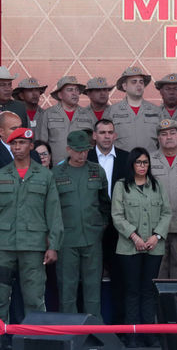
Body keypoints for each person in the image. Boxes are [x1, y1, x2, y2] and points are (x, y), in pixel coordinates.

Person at [0, 127, 62, 331]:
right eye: (14, 144)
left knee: (34, 298)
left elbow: (53, 213)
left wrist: (53, 245)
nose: (17, 147)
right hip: (4, 246)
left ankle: (34, 339)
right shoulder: (1, 175)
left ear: (31, 145)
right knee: (0, 299)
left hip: (33, 247)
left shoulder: (44, 176)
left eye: (22, 143)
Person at [111, 148, 171, 348]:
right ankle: (132, 333)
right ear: (131, 164)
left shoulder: (156, 185)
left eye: (145, 162)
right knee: (132, 290)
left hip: (154, 247)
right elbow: (117, 216)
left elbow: (167, 212)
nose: (142, 166)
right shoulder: (121, 186)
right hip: (129, 248)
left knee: (148, 290)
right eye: (139, 162)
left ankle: (149, 333)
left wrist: (157, 236)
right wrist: (134, 236)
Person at [52, 130, 110, 317]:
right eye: (78, 151)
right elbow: (51, 209)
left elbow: (104, 204)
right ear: (68, 149)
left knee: (93, 287)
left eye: (85, 150)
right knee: (67, 288)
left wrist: (100, 226)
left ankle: (94, 330)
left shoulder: (96, 171)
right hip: (67, 240)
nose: (82, 155)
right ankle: (69, 331)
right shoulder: (56, 173)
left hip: (92, 239)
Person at [88, 119, 129, 324]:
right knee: (90, 278)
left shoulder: (126, 158)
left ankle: (120, 327)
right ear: (94, 135)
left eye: (110, 132)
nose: (106, 136)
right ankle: (89, 325)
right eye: (102, 132)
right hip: (91, 227)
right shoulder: (83, 157)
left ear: (115, 135)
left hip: (119, 229)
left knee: (120, 278)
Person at [150, 119, 177, 279]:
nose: (168, 137)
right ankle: (157, 305)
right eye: (163, 134)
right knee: (157, 272)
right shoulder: (148, 160)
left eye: (172, 133)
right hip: (155, 227)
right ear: (158, 138)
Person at [105, 67, 162, 152]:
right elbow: (105, 141)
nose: (138, 85)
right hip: (122, 163)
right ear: (125, 86)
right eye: (134, 82)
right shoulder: (112, 111)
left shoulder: (156, 111)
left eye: (141, 82)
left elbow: (163, 141)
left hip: (150, 162)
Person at [40, 76, 95, 164]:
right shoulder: (48, 114)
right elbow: (42, 144)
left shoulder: (88, 114)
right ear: (60, 95)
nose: (74, 93)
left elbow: (93, 144)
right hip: (55, 167)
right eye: (70, 90)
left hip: (81, 166)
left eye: (77, 90)